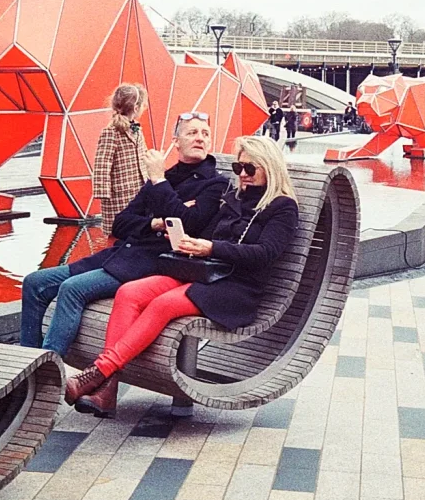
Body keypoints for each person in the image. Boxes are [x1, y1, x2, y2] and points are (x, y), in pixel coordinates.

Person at [65, 135, 300, 417]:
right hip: (203, 271)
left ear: (270, 167)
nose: (243, 175)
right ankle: (108, 389)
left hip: (237, 288)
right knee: (129, 293)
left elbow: (264, 254)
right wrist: (185, 238)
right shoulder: (233, 198)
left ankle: (96, 374)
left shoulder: (282, 207)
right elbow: (206, 234)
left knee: (163, 305)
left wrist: (212, 248)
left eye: (250, 169)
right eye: (239, 169)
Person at [22, 112, 226, 361]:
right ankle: (27, 362)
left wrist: (159, 182)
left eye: (205, 134)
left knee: (71, 289)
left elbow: (189, 225)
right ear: (176, 140)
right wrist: (155, 223)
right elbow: (120, 223)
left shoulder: (214, 184)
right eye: (192, 133)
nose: (200, 139)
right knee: (34, 283)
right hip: (119, 256)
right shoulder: (165, 177)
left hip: (150, 265)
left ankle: (45, 373)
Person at [92, 83, 149, 235]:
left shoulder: (136, 129)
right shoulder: (111, 132)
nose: (144, 108)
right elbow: (102, 163)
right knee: (118, 230)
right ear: (136, 108)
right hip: (119, 194)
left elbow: (143, 156)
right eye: (142, 105)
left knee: (136, 227)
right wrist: (103, 193)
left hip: (138, 189)